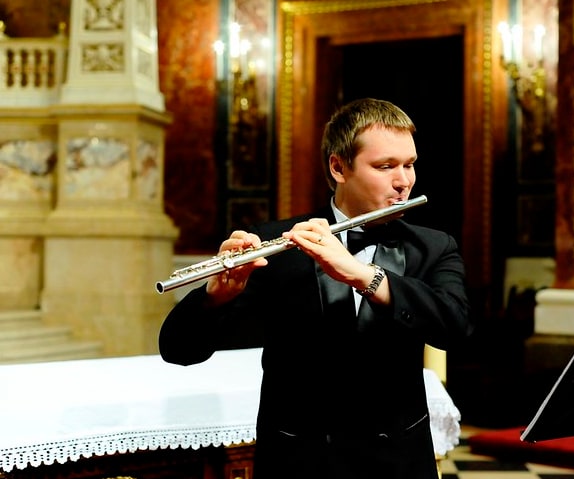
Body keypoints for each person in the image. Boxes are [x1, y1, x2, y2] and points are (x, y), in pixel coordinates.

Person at [158, 98, 473, 479]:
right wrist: (216, 297)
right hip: (299, 461)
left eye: (409, 164)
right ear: (338, 167)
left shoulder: (434, 247)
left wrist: (364, 275)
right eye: (385, 166)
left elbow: (456, 328)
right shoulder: (277, 242)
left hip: (397, 461)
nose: (403, 181)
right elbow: (178, 350)